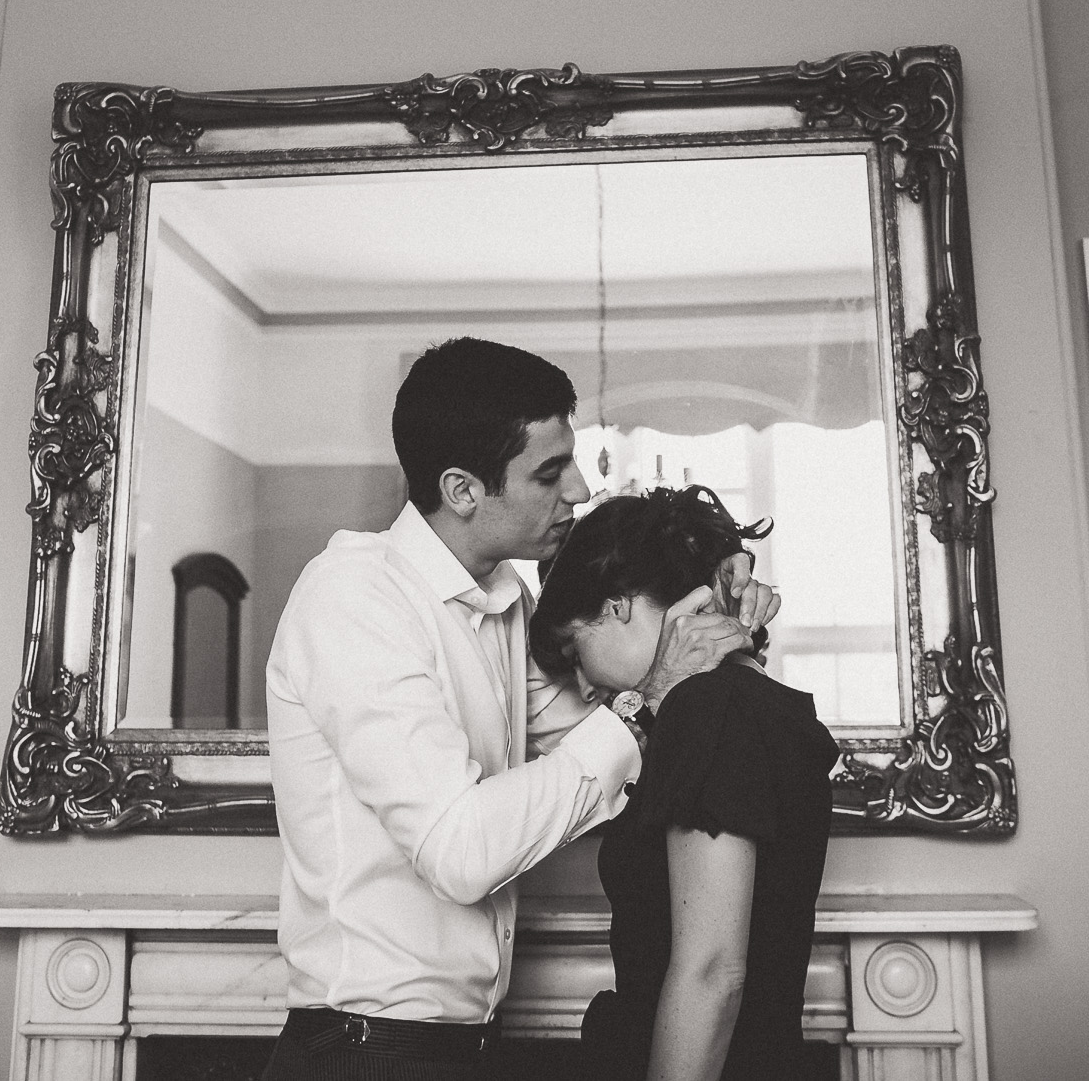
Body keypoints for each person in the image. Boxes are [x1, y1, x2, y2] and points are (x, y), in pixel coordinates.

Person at [262, 338, 775, 1080]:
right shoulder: (352, 596)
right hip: (365, 1052)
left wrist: (723, 613)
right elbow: (459, 851)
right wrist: (646, 701)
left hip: (463, 1047)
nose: (577, 490)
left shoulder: (507, 604)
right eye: (548, 471)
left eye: (572, 460)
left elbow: (626, 756)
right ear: (464, 489)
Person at [530, 486, 839, 1081]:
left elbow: (713, 971)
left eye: (575, 650)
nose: (584, 684)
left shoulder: (709, 709)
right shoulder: (742, 705)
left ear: (617, 606)